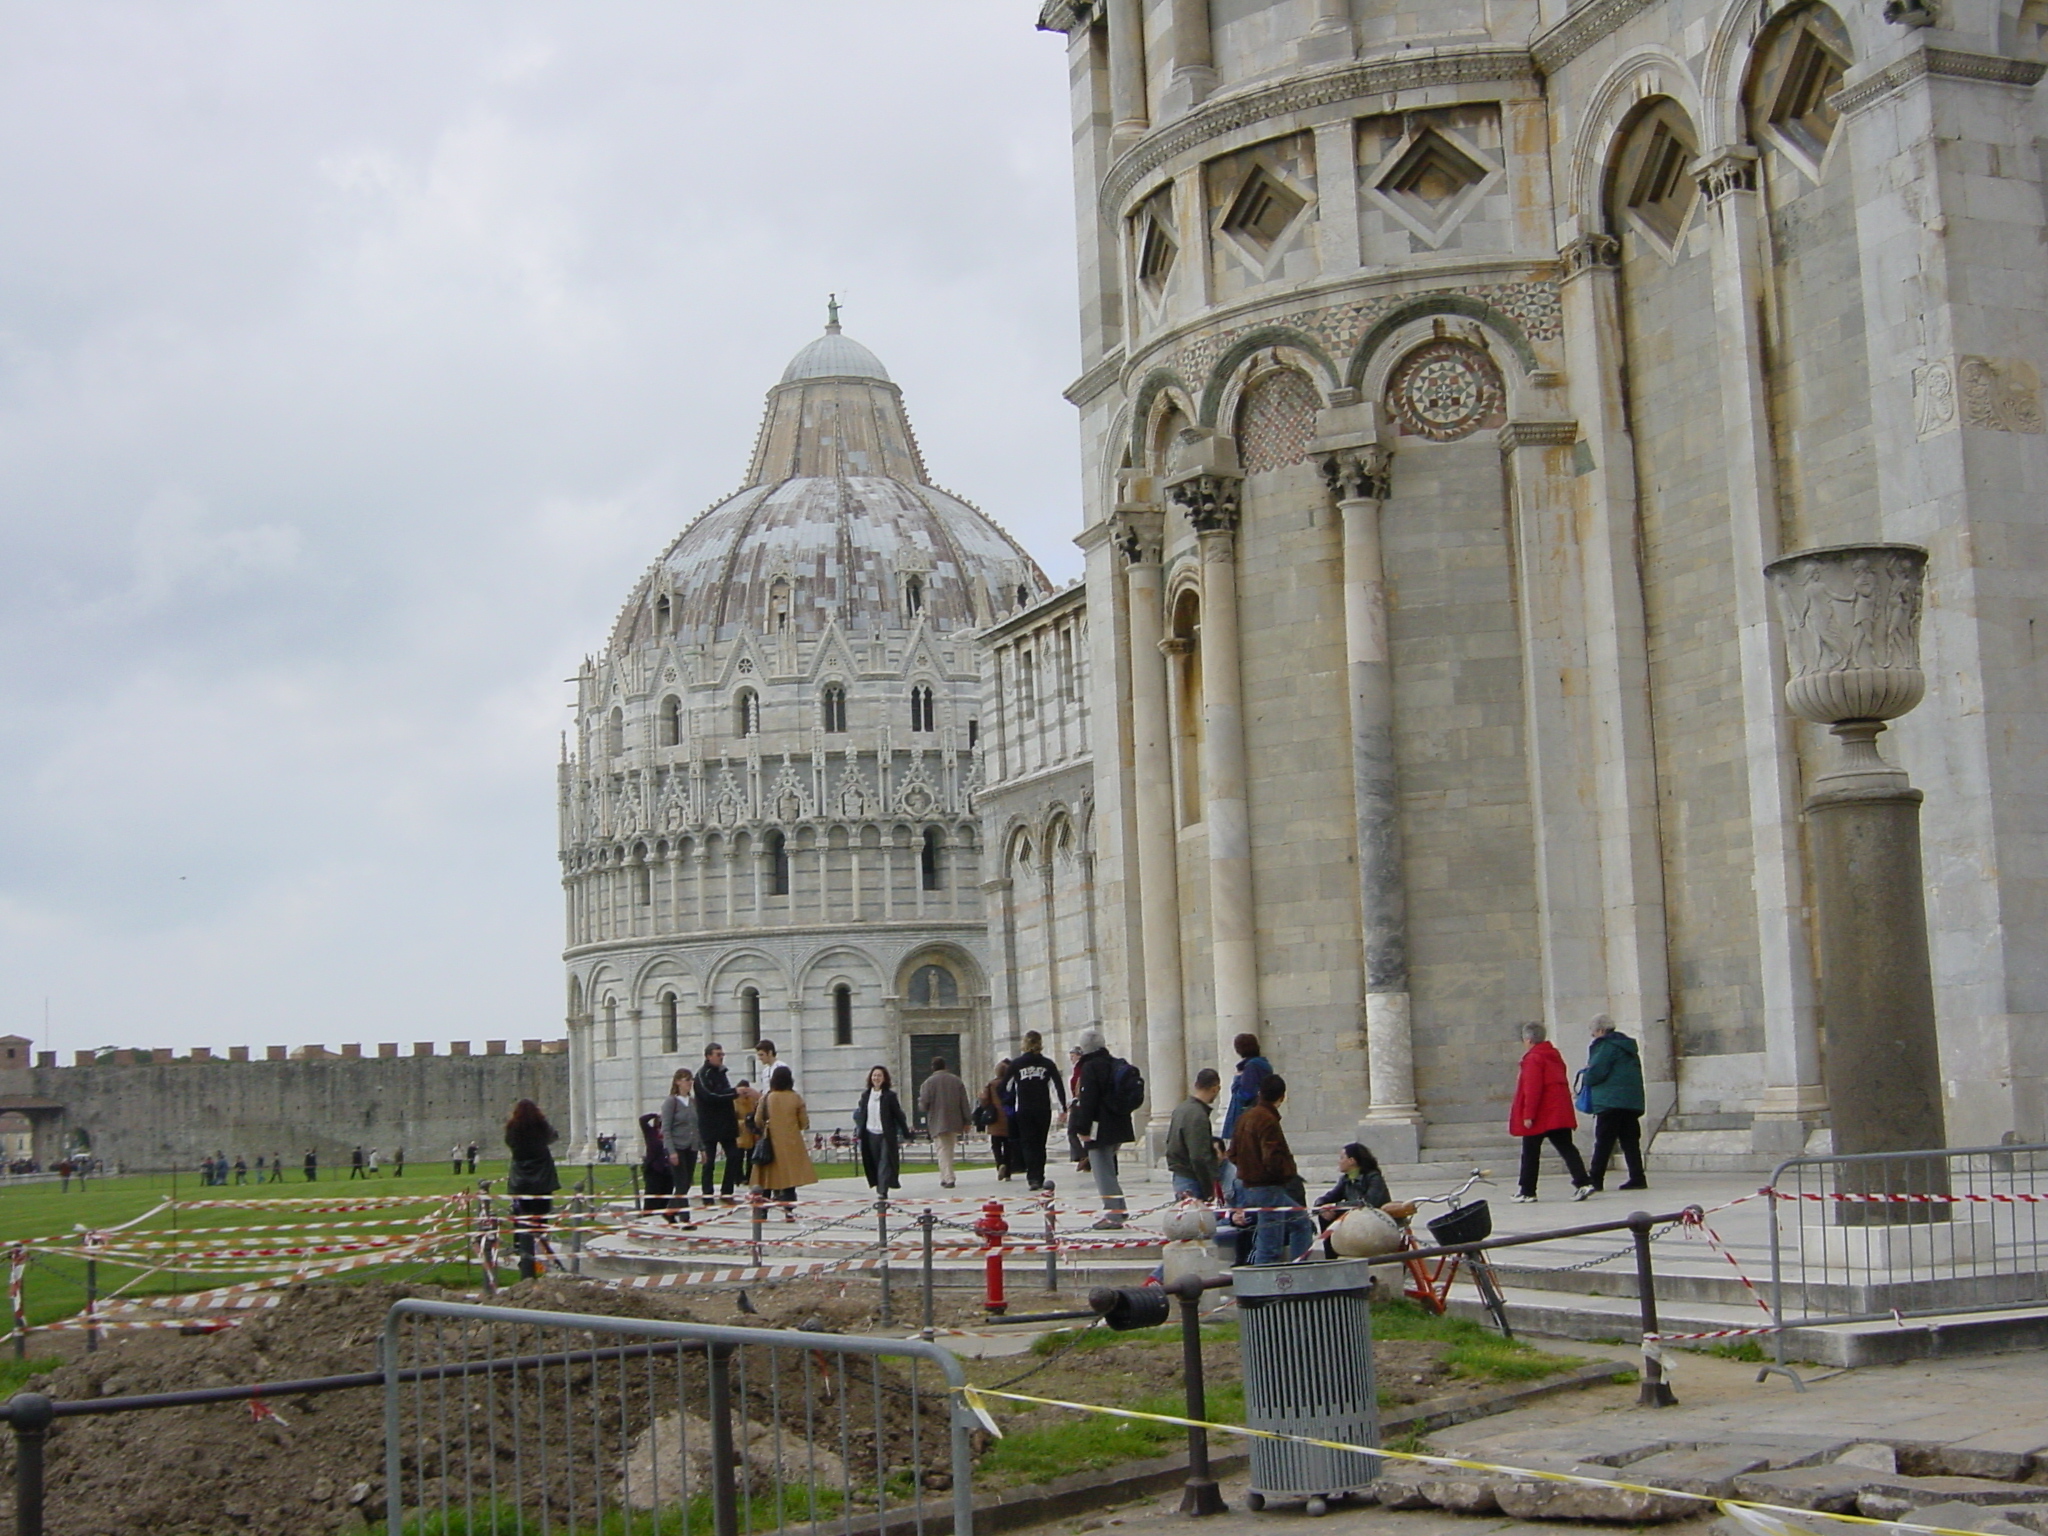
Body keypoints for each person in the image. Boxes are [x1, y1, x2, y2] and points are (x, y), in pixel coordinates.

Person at [1229, 1074, 1313, 1264]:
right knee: (1270, 1244)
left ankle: (1299, 1266)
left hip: (1248, 1186)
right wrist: (1286, 1172)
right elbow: (1272, 1157)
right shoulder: (1267, 1120)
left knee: (1299, 1222)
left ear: (1260, 1093)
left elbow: (1232, 1154)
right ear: (1282, 1097)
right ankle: (1268, 1284)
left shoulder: (1245, 1118)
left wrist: (1247, 1168)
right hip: (1268, 1187)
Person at [1511, 1022, 1592, 1202]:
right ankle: (1583, 1182)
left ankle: (1527, 1190)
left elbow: (1532, 1088)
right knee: (1567, 1148)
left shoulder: (1533, 1058)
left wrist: (1528, 1115)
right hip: (1559, 1111)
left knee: (1530, 1152)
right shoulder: (1553, 1055)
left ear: (1528, 1039)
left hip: (1542, 1113)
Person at [1070, 1024, 1135, 1230]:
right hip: (1118, 1123)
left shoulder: (1090, 1067)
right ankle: (1119, 1208)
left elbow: (1088, 1100)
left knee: (1102, 1171)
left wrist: (1082, 1128)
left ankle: (1113, 1214)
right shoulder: (1113, 1063)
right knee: (1108, 1168)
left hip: (1099, 1127)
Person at [1584, 1015, 1649, 1192]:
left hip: (1610, 1101)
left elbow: (1596, 1072)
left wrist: (1586, 1077)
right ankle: (1637, 1177)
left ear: (1601, 1031)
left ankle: (1595, 1179)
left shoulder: (1605, 1046)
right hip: (1631, 1101)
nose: (1593, 1036)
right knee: (1630, 1141)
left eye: (1594, 1032)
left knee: (1604, 1142)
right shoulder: (1628, 1046)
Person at [504, 1098, 561, 1280]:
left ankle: (523, 1253)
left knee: (521, 1217)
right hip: (541, 1179)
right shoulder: (541, 1126)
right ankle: (540, 1250)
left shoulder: (512, 1128)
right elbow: (553, 1136)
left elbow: (510, 1143)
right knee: (540, 1217)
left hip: (521, 1179)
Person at [748, 1065, 816, 1217]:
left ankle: (762, 1211)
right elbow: (804, 1123)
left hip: (770, 1143)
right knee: (789, 1180)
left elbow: (758, 1120)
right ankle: (789, 1211)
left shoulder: (766, 1098)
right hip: (791, 1144)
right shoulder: (795, 1098)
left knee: (766, 1180)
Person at [1008, 1031, 1067, 1191]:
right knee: (1040, 1144)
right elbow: (1057, 1086)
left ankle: (1032, 1177)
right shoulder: (1047, 1064)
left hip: (1024, 1109)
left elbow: (1005, 1087)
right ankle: (1039, 1176)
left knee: (1028, 1143)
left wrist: (1009, 1104)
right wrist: (1062, 1108)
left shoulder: (1017, 1064)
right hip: (1042, 1108)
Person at [1165, 1068, 1223, 1202]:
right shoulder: (1198, 1115)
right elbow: (1198, 1156)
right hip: (1191, 1179)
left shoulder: (1181, 1108)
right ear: (1215, 1088)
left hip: (1180, 1175)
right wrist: (1209, 1187)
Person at [916, 1056, 974, 1188]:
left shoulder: (928, 1083)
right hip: (954, 1120)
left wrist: (921, 1103)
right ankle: (944, 1176)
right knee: (948, 1149)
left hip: (937, 1121)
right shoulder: (956, 1081)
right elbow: (964, 1102)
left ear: (932, 1067)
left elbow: (923, 1105)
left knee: (942, 1149)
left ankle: (949, 1178)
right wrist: (967, 1120)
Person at [855, 1065, 912, 1193]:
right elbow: (861, 1115)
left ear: (884, 1078)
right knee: (874, 1162)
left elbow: (898, 1115)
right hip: (870, 1134)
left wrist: (906, 1133)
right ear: (870, 1078)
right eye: (874, 1075)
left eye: (879, 1076)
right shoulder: (865, 1096)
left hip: (885, 1135)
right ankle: (879, 1185)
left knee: (885, 1162)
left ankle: (883, 1191)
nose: (876, 1078)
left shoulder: (890, 1096)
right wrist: (859, 1132)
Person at [696, 1044, 742, 1202]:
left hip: (726, 1124)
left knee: (734, 1156)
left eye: (722, 1054)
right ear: (708, 1056)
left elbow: (724, 1093)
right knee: (709, 1162)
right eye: (718, 1054)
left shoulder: (722, 1073)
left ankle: (727, 1191)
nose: (721, 1057)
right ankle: (707, 1194)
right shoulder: (703, 1075)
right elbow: (711, 1095)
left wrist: (733, 1093)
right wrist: (734, 1092)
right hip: (709, 1124)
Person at [660, 1067, 700, 1225]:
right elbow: (666, 1128)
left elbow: (696, 1126)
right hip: (677, 1147)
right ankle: (685, 1219)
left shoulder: (692, 1102)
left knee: (686, 1183)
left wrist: (701, 1148)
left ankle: (670, 1210)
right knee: (681, 1182)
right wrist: (671, 1151)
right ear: (678, 1082)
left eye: (691, 1080)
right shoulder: (671, 1102)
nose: (689, 1083)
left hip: (691, 1147)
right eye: (686, 1080)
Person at [1221, 1034, 1272, 1142]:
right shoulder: (1261, 1064)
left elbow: (1246, 1093)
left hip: (1245, 1117)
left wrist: (1236, 1082)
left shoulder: (1251, 1066)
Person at [979, 1062, 1015, 1180]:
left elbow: (984, 1099)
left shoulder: (991, 1084)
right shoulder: (1010, 1084)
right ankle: (1008, 1172)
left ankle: (1000, 1164)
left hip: (995, 1119)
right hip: (1008, 1117)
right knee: (1008, 1146)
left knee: (996, 1145)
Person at [732, 1077, 760, 1185]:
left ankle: (749, 1176)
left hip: (750, 1130)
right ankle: (739, 1177)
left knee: (750, 1156)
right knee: (738, 1156)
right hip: (740, 1130)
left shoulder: (752, 1100)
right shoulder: (734, 1100)